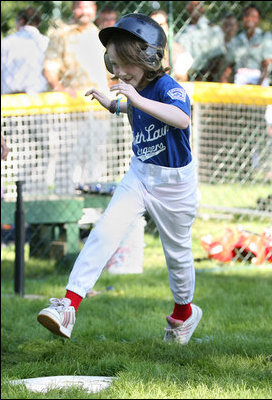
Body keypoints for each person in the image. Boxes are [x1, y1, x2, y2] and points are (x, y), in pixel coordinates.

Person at [37, 13, 202, 345]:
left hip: (174, 185)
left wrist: (135, 98)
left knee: (178, 255)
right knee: (105, 232)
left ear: (149, 57)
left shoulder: (165, 86)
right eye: (114, 62)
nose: (119, 71)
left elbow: (181, 118)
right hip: (139, 175)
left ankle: (184, 314)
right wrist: (115, 105)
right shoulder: (134, 90)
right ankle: (69, 305)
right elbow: (135, 108)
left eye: (125, 62)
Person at [43, 1, 108, 97]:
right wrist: (60, 90)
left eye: (88, 7)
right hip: (72, 103)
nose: (84, 12)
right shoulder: (60, 36)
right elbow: (49, 70)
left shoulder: (101, 36)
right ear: (73, 8)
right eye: (80, 7)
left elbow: (111, 76)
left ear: (94, 9)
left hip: (101, 103)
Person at [1, 7, 49, 94]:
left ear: (21, 21)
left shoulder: (6, 42)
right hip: (38, 96)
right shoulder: (46, 42)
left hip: (9, 97)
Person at [220, 5, 272, 86]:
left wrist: (258, 84)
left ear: (258, 20)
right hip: (241, 76)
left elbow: (267, 63)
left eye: (254, 16)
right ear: (242, 19)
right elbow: (229, 65)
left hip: (259, 76)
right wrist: (224, 82)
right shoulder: (236, 39)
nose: (250, 19)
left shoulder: (264, 37)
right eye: (247, 16)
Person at [175, 1, 224, 81]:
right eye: (190, 4)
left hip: (206, 78)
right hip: (183, 77)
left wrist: (201, 78)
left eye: (197, 5)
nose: (194, 8)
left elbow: (217, 59)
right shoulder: (181, 33)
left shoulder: (213, 30)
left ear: (202, 8)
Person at [149, 9, 193, 82]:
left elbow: (182, 79)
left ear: (168, 26)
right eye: (154, 25)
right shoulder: (142, 48)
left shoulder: (179, 51)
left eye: (161, 24)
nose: (157, 28)